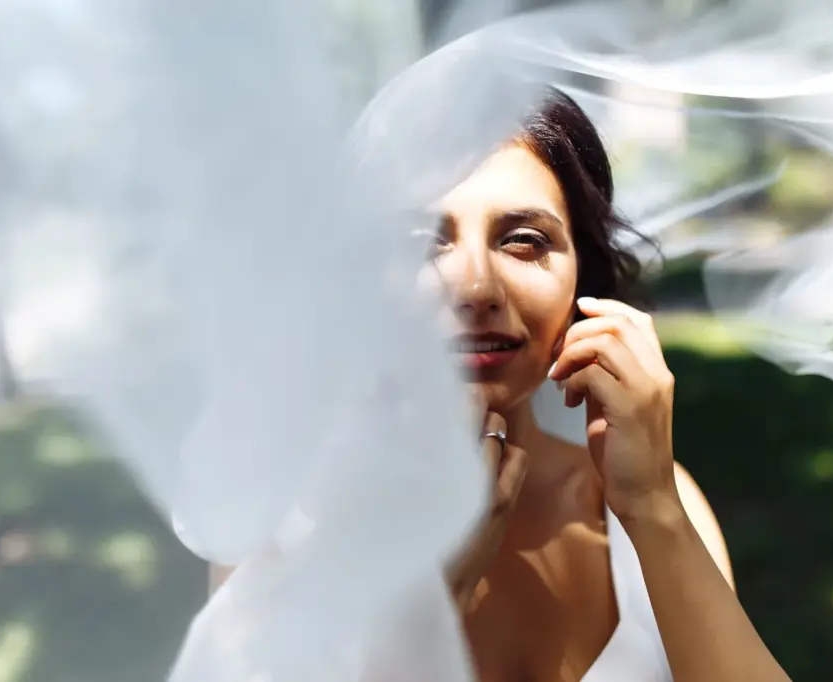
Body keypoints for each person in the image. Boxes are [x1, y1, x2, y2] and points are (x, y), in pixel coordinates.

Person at [212, 89, 790, 682]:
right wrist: (425, 601)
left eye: (524, 241)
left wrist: (651, 507)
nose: (476, 288)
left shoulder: (649, 503)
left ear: (582, 279)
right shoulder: (278, 520)